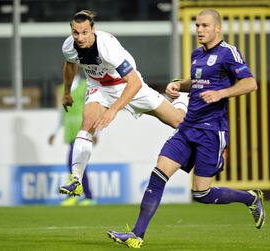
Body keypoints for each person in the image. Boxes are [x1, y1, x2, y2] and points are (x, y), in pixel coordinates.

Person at [107, 9, 265, 248]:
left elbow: (250, 83)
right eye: (197, 25)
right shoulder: (196, 55)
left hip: (211, 131)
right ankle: (137, 235)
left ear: (217, 28)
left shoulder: (229, 53)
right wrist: (180, 84)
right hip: (188, 126)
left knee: (201, 193)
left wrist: (222, 93)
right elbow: (198, 81)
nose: (199, 30)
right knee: (159, 171)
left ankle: (250, 197)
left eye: (204, 25)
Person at [58, 10, 188, 196]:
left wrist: (113, 110)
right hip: (99, 87)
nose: (80, 37)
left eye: (85, 32)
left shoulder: (107, 46)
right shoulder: (69, 46)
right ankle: (76, 180)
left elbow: (133, 82)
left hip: (128, 85)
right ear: (71, 31)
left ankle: (182, 99)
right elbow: (70, 64)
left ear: (93, 30)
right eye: (76, 32)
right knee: (86, 125)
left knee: (178, 122)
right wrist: (66, 92)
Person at [48, 74, 97, 206]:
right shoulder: (61, 88)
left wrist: (95, 131)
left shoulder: (85, 85)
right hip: (70, 130)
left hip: (83, 129)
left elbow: (92, 108)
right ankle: (85, 195)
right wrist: (54, 132)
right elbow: (61, 112)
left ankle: (81, 195)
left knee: (73, 162)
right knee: (76, 164)